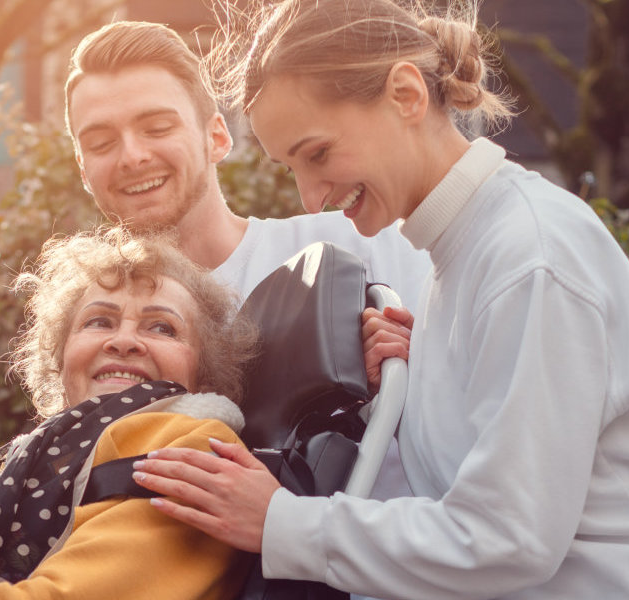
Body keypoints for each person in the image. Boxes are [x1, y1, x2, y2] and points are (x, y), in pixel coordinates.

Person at [131, 1, 629, 598]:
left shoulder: (528, 253)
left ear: (406, 94)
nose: (310, 197)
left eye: (318, 152)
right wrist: (425, 383)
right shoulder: (457, 270)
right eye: (292, 168)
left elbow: (508, 538)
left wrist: (280, 521)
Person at [0, 227, 258, 600]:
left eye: (161, 327)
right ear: (61, 361)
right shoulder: (41, 459)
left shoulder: (196, 444)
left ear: (206, 372)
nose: (124, 341)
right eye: (99, 322)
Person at [63, 21, 427, 391]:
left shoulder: (362, 245)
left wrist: (408, 367)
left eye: (157, 128)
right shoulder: (95, 330)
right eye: (101, 143)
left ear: (218, 138)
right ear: (82, 169)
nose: (132, 156)